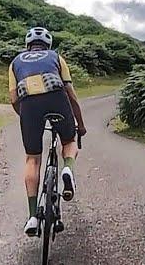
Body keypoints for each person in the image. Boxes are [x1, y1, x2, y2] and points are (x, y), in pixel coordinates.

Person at [8, 27, 87, 236]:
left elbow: (14, 99)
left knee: (32, 159)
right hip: (57, 99)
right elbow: (70, 93)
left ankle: (33, 216)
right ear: (48, 45)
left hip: (29, 107)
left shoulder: (15, 62)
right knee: (68, 142)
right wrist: (80, 123)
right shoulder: (56, 57)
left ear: (28, 45)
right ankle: (67, 169)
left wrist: (26, 118)